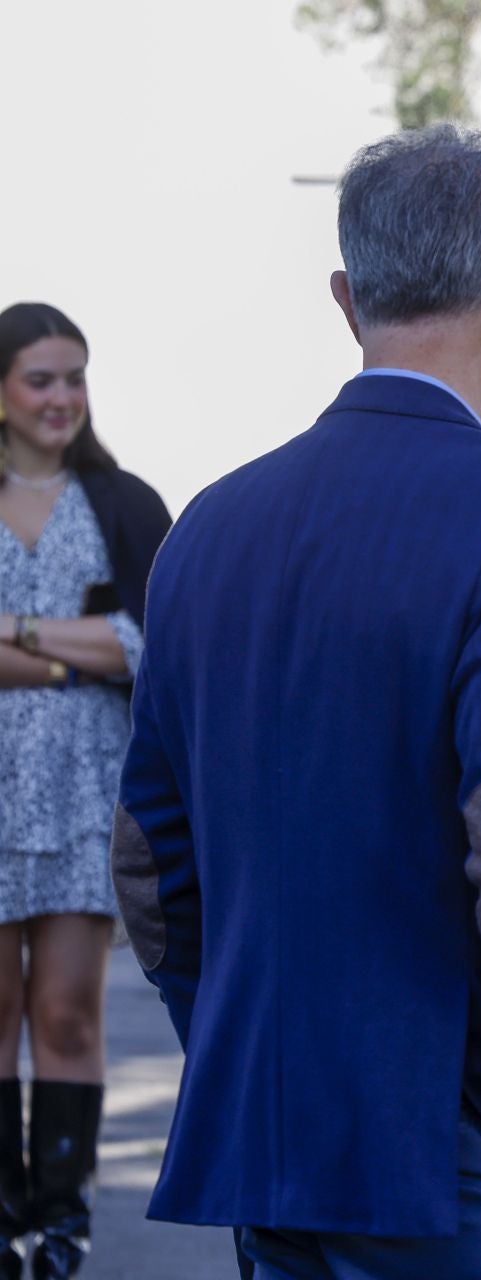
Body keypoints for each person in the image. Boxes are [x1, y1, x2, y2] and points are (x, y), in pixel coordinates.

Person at [111, 125, 481, 1278]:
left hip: (278, 1130)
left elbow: (146, 863)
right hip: (474, 1154)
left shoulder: (209, 525)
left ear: (345, 295)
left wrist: (244, 1044)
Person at [0, 303, 169, 1279]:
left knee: (66, 1014)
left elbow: (149, 645)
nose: (63, 397)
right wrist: (81, 647)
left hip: (80, 798)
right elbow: (107, 645)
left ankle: (60, 1228)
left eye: (75, 377)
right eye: (41, 378)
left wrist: (19, 636)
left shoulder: (123, 503)